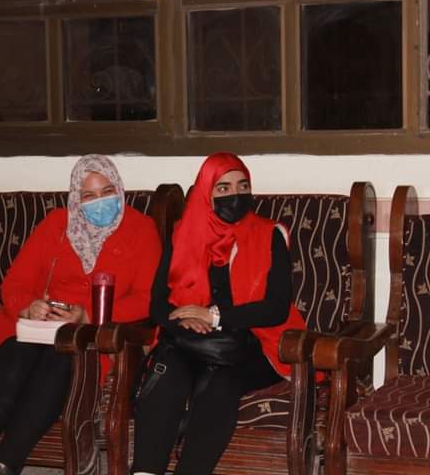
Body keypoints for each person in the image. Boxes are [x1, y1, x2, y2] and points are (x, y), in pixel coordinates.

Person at [0, 155, 162, 475]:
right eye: (88, 195)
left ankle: (4, 463)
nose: (100, 202)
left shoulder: (141, 229)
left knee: (61, 359)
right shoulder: (56, 224)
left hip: (89, 337)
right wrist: (29, 305)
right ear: (75, 198)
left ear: (120, 188)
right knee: (14, 354)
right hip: (33, 330)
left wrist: (88, 315)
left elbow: (148, 299)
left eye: (107, 191)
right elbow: (14, 284)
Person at [131, 152, 308, 475]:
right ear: (205, 193)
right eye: (223, 188)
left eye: (243, 186)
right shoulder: (183, 234)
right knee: (168, 374)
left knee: (221, 382)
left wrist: (213, 316)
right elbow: (158, 303)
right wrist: (184, 321)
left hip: (254, 344)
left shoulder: (270, 235)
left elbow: (276, 308)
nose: (235, 195)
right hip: (192, 339)